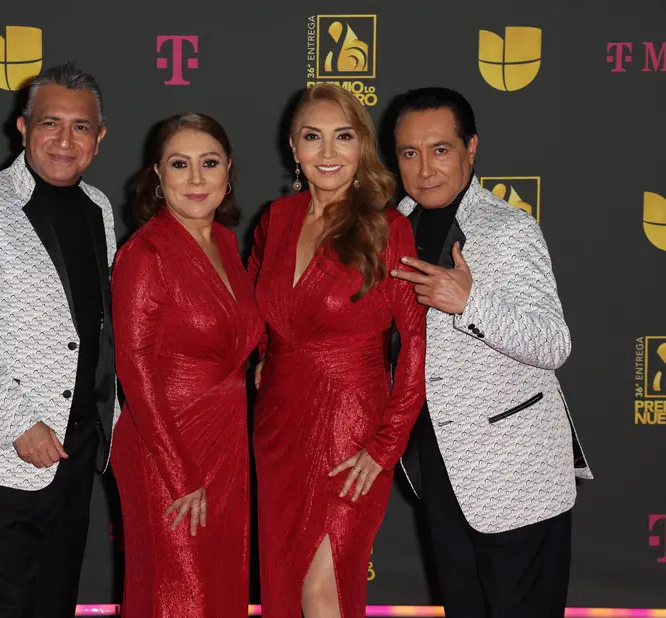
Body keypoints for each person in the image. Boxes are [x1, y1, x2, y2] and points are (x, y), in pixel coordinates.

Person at [387, 86, 592, 617]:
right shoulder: (390, 228)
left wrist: (470, 303)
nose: (425, 169)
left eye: (440, 149)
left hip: (516, 471)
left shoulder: (509, 230)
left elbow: (553, 342)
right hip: (439, 466)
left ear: (471, 148)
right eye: (410, 152)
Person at [0, 63, 119, 618]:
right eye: (49, 123)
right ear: (22, 127)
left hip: (77, 450)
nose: (65, 140)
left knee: (55, 603)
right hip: (3, 453)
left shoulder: (99, 207)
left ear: (99, 138)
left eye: (80, 127)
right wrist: (19, 424)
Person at [249, 83, 427, 618]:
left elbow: (416, 343)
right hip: (278, 425)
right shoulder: (276, 219)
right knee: (286, 585)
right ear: (293, 147)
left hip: (351, 430)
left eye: (343, 136)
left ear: (362, 145)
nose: (328, 152)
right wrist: (264, 353)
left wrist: (385, 446)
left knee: (324, 590)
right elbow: (252, 304)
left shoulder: (388, 227)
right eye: (313, 137)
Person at [111, 113, 263, 617]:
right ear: (158, 174)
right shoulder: (144, 253)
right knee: (179, 594)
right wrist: (180, 474)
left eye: (209, 163)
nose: (196, 178)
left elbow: (241, 330)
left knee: (219, 586)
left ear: (228, 170)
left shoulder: (225, 242)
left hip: (227, 440)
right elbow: (134, 369)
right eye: (180, 164)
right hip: (166, 446)